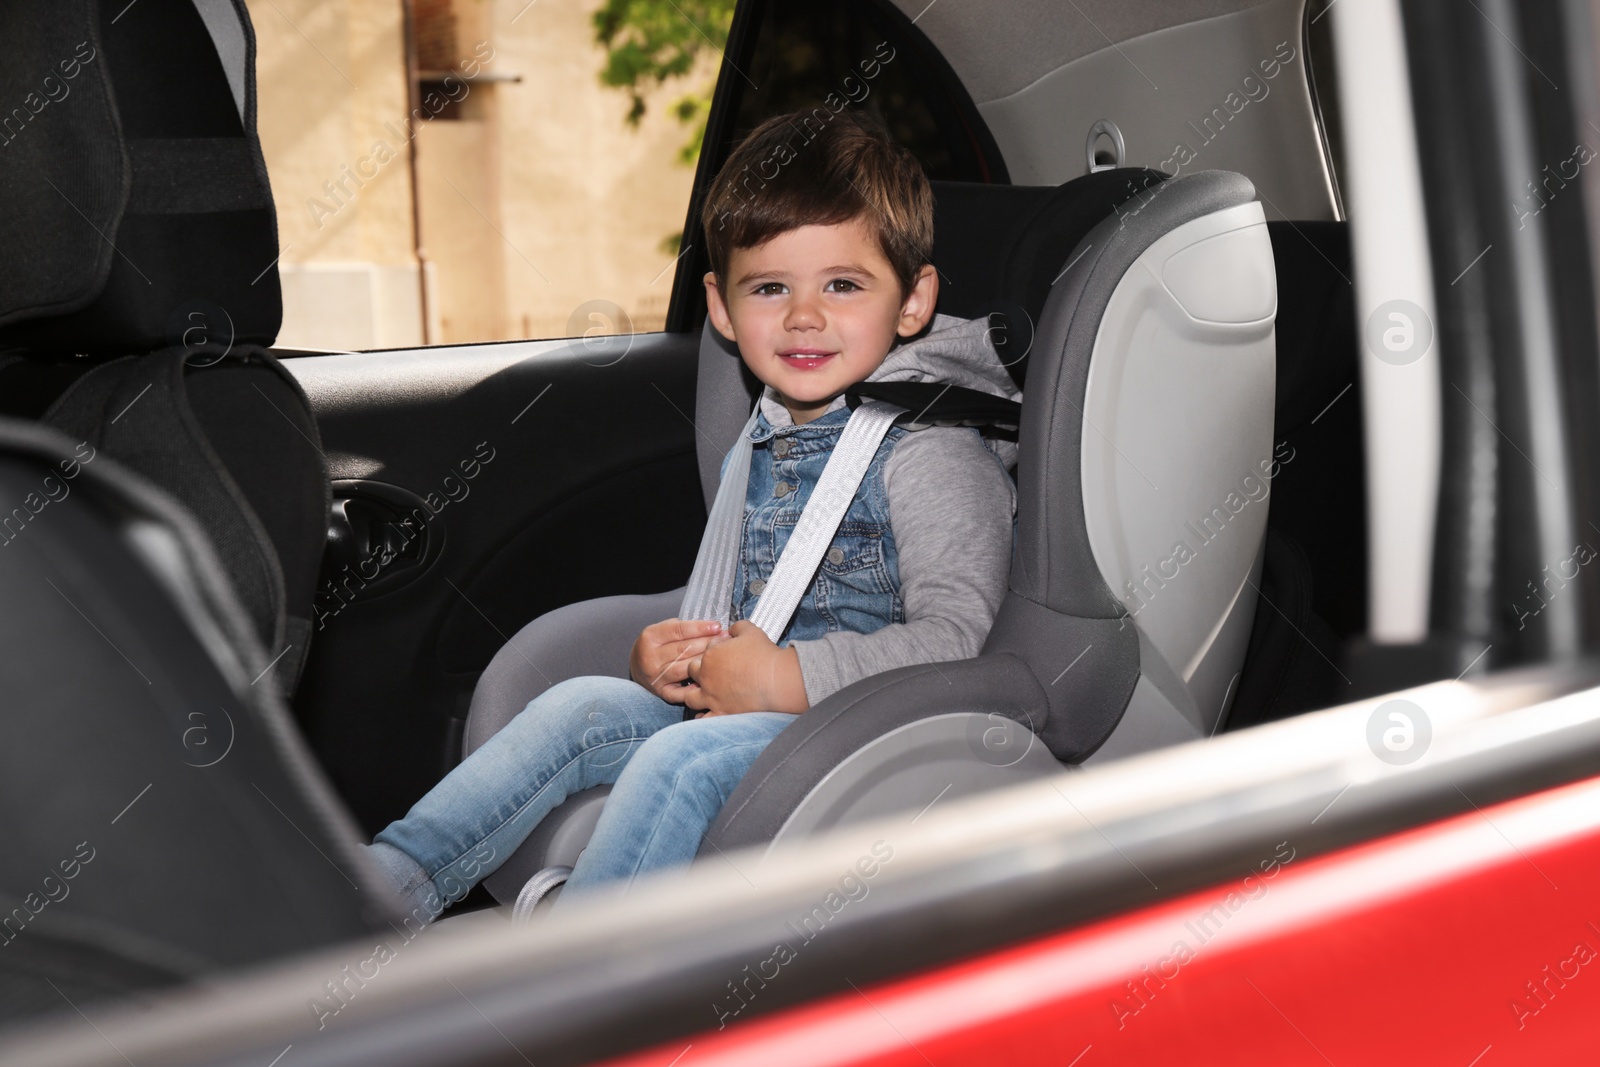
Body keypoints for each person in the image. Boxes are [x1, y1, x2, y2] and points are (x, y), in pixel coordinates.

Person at [366, 109, 1020, 922]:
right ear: (720, 304)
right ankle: (381, 888)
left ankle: (584, 972)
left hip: (863, 732)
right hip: (752, 707)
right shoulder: (771, 427)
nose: (803, 315)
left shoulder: (931, 449)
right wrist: (676, 658)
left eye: (843, 285)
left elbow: (961, 639)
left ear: (914, 300)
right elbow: (751, 602)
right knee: (575, 706)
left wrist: (786, 677)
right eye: (770, 287)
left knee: (681, 756)